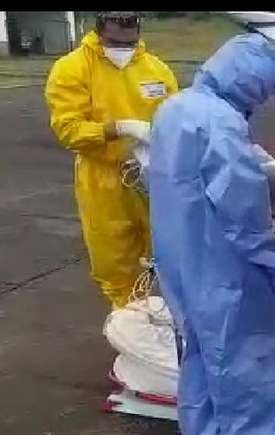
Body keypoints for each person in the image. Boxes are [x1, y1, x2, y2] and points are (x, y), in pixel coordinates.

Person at [147, 33, 275, 435]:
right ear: (250, 84)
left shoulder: (173, 108)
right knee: (245, 369)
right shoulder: (221, 122)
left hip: (182, 262)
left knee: (198, 360)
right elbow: (242, 207)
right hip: (227, 272)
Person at [45, 11, 178, 309]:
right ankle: (129, 325)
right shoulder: (72, 69)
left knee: (170, 252)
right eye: (118, 24)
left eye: (132, 23)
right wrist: (117, 128)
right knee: (115, 263)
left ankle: (168, 322)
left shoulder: (156, 69)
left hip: (155, 177)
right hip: (104, 181)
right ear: (101, 23)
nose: (125, 34)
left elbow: (176, 117)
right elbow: (69, 130)